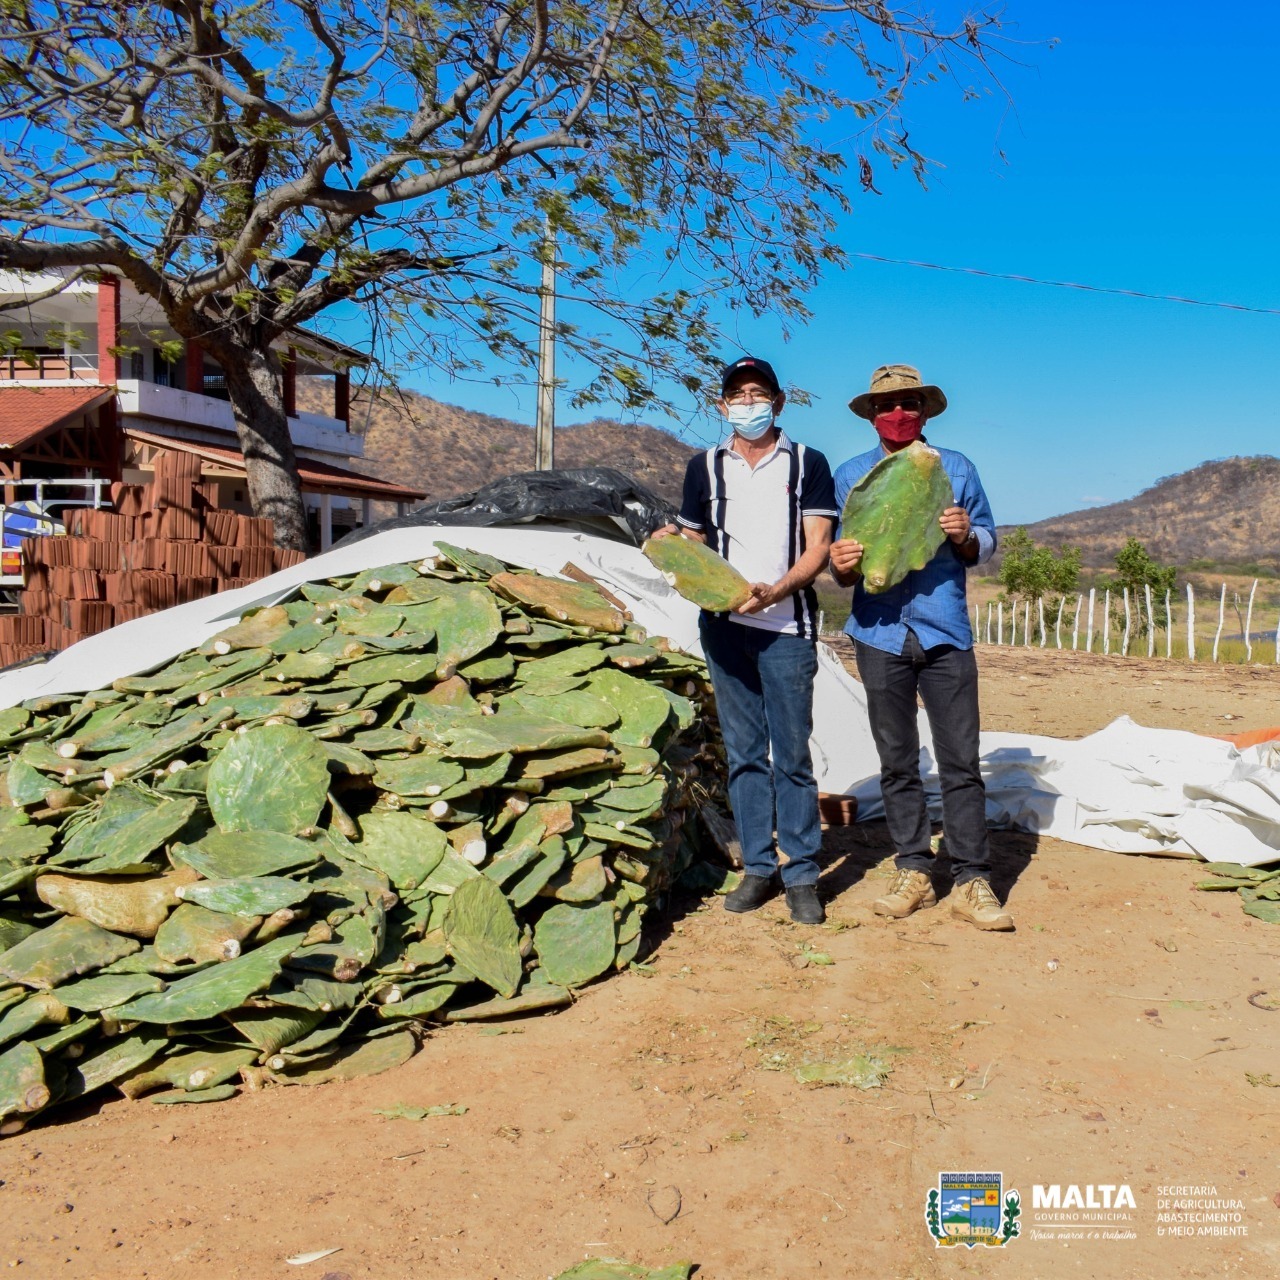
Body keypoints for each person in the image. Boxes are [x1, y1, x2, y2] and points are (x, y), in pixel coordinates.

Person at [829, 364, 1014, 931]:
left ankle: (970, 877)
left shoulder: (955, 469)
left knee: (961, 760)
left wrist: (965, 535)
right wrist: (840, 566)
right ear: (871, 416)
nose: (899, 413)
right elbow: (842, 557)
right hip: (877, 631)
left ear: (926, 411)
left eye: (910, 403)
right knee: (897, 759)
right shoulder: (851, 475)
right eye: (888, 406)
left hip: (945, 630)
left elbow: (986, 539)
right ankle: (913, 866)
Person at [656, 356, 837, 924]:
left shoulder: (808, 463)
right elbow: (694, 541)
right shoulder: (703, 467)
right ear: (721, 405)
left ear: (778, 402)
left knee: (793, 757)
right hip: (725, 628)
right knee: (744, 756)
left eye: (758, 393)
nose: (748, 402)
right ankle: (759, 868)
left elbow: (819, 546)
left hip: (787, 628)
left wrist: (777, 589)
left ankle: (803, 872)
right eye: (738, 394)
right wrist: (671, 541)